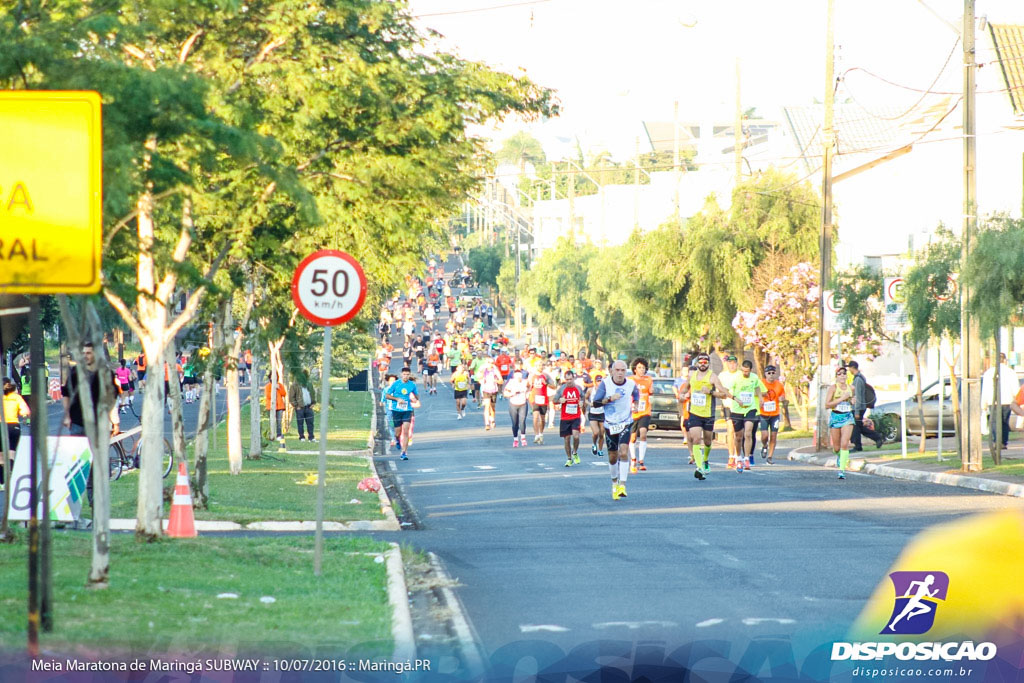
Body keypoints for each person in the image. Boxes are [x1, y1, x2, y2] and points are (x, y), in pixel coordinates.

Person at [591, 361, 640, 500]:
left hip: (625, 422)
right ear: (612, 371)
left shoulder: (630, 384)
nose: (620, 373)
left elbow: (636, 395)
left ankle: (622, 485)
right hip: (610, 424)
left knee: (624, 451)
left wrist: (635, 405)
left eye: (623, 370)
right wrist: (609, 399)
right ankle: (614, 483)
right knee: (613, 456)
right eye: (617, 370)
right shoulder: (606, 384)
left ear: (626, 371)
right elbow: (596, 402)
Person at [679, 352, 730, 481]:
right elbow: (684, 390)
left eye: (705, 362)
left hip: (708, 413)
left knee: (707, 441)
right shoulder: (692, 375)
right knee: (695, 439)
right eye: (700, 362)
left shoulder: (713, 377)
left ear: (708, 363)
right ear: (696, 364)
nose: (702, 364)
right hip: (694, 412)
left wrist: (711, 392)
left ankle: (705, 459)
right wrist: (682, 396)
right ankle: (700, 466)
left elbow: (723, 394)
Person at [729, 360, 764, 472]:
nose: (745, 373)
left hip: (750, 408)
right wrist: (735, 399)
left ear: (750, 370)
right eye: (743, 371)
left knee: (748, 433)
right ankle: (738, 457)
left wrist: (760, 397)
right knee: (738, 436)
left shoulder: (754, 377)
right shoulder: (736, 378)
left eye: (747, 371)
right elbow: (727, 391)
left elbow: (757, 387)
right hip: (737, 409)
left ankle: (747, 458)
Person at [981, 353, 1020, 450]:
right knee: (1004, 422)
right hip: (1007, 401)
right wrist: (1017, 401)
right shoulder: (1011, 372)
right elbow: (1016, 388)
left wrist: (984, 403)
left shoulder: (989, 373)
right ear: (1005, 360)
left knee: (994, 422)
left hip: (992, 401)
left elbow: (985, 389)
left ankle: (996, 441)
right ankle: (1003, 442)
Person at [826, 365, 856, 479]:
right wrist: (841, 398)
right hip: (835, 417)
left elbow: (853, 400)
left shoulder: (851, 388)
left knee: (844, 444)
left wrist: (853, 400)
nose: (842, 376)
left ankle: (842, 470)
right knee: (837, 447)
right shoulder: (833, 388)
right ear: (836, 377)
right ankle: (839, 456)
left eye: (844, 373)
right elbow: (827, 404)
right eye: (840, 374)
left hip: (847, 417)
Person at [847, 360, 884, 451]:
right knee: (858, 427)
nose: (849, 370)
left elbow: (858, 396)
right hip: (859, 407)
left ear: (852, 368)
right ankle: (876, 438)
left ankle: (859, 446)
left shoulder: (858, 380)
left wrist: (856, 411)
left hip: (858, 407)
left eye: (849, 368)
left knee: (856, 428)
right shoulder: (859, 377)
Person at [384, 367, 419, 461]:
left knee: (406, 430)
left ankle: (404, 452)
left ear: (409, 375)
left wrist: (415, 398)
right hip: (396, 410)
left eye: (408, 374)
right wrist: (397, 399)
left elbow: (417, 395)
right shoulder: (396, 384)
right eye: (404, 374)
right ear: (401, 375)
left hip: (407, 410)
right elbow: (387, 395)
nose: (406, 376)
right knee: (397, 432)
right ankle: (397, 440)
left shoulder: (412, 385)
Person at [552, 370, 584, 467]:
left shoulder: (578, 388)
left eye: (570, 379)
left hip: (576, 416)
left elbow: (583, 397)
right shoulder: (562, 389)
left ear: (574, 378)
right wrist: (559, 401)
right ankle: (569, 458)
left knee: (576, 436)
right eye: (567, 379)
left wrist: (582, 402)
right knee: (567, 439)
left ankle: (575, 452)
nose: (569, 381)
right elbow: (554, 400)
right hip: (565, 417)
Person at [2, 377, 30, 485]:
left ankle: (2, 482)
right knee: (11, 451)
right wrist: (22, 415)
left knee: (1, 455)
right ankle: (11, 476)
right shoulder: (16, 397)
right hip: (14, 426)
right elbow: (26, 411)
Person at [628, 358, 654, 473]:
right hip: (633, 412)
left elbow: (651, 391)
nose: (641, 370)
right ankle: (633, 459)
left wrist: (652, 391)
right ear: (634, 369)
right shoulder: (629, 380)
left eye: (643, 368)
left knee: (643, 433)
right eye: (639, 367)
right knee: (632, 437)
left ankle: (641, 461)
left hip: (645, 411)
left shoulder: (648, 379)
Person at [758, 365, 786, 464]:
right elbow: (755, 392)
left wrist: (782, 398)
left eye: (773, 373)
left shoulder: (779, 385)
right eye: (768, 373)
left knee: (773, 435)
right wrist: (761, 396)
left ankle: (770, 456)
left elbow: (782, 395)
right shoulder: (761, 383)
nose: (771, 375)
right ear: (765, 374)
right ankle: (765, 445)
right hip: (763, 413)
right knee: (765, 435)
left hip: (775, 414)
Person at [718, 353, 741, 469]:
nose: (732, 365)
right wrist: (722, 394)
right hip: (728, 405)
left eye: (734, 363)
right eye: (730, 363)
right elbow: (719, 389)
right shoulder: (722, 375)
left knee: (739, 433)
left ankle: (739, 456)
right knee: (730, 430)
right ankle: (731, 456)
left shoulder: (741, 375)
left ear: (737, 364)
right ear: (727, 364)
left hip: (739, 406)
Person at [288, 371, 317, 443]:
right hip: (300, 408)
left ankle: (311, 437)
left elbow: (313, 393)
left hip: (309, 407)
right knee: (300, 423)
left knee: (310, 423)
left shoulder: (309, 384)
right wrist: (296, 406)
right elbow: (291, 397)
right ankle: (301, 437)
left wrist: (313, 403)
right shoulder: (294, 385)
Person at [527, 366, 554, 444]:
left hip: (543, 399)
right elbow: (527, 385)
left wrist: (546, 384)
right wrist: (529, 384)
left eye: (541, 365)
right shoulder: (532, 375)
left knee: (542, 419)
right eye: (538, 365)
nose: (540, 367)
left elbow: (553, 386)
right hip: (534, 398)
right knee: (535, 416)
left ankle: (541, 433)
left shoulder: (546, 375)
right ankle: (536, 435)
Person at [503, 370, 530, 447]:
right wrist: (512, 393)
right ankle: (515, 439)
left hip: (523, 404)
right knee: (515, 423)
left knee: (522, 421)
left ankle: (523, 438)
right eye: (517, 377)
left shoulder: (525, 382)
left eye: (520, 377)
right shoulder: (511, 383)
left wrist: (527, 394)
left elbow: (529, 388)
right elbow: (505, 393)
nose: (519, 378)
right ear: (514, 377)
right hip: (513, 404)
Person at [586, 370, 607, 457]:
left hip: (602, 413)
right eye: (598, 381)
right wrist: (589, 403)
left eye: (600, 381)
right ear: (595, 382)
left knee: (602, 434)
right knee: (596, 432)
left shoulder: (605, 390)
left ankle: (600, 449)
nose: (599, 382)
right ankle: (594, 444)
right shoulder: (591, 390)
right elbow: (585, 399)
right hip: (593, 413)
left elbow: (608, 400)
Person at [264, 374, 288, 445]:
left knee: (279, 421)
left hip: (280, 406)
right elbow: (268, 396)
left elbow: (284, 393)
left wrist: (278, 388)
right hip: (271, 406)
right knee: (272, 421)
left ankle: (279, 435)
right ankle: (271, 434)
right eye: (272, 376)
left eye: (276, 376)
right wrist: (273, 389)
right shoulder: (268, 386)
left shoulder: (279, 385)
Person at [479, 357, 503, 430]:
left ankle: (492, 419)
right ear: (486, 363)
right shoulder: (483, 369)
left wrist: (496, 380)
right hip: (486, 390)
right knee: (487, 406)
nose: (491, 364)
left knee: (492, 407)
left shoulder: (495, 370)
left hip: (493, 390)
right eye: (489, 363)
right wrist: (482, 378)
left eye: (492, 363)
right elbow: (479, 378)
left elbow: (501, 381)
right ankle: (487, 423)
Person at [381, 373, 399, 447]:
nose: (392, 382)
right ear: (388, 381)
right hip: (389, 409)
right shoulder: (386, 389)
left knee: (398, 424)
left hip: (398, 409)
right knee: (391, 424)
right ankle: (393, 439)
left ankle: (398, 437)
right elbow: (383, 399)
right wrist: (381, 402)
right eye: (391, 381)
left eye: (394, 381)